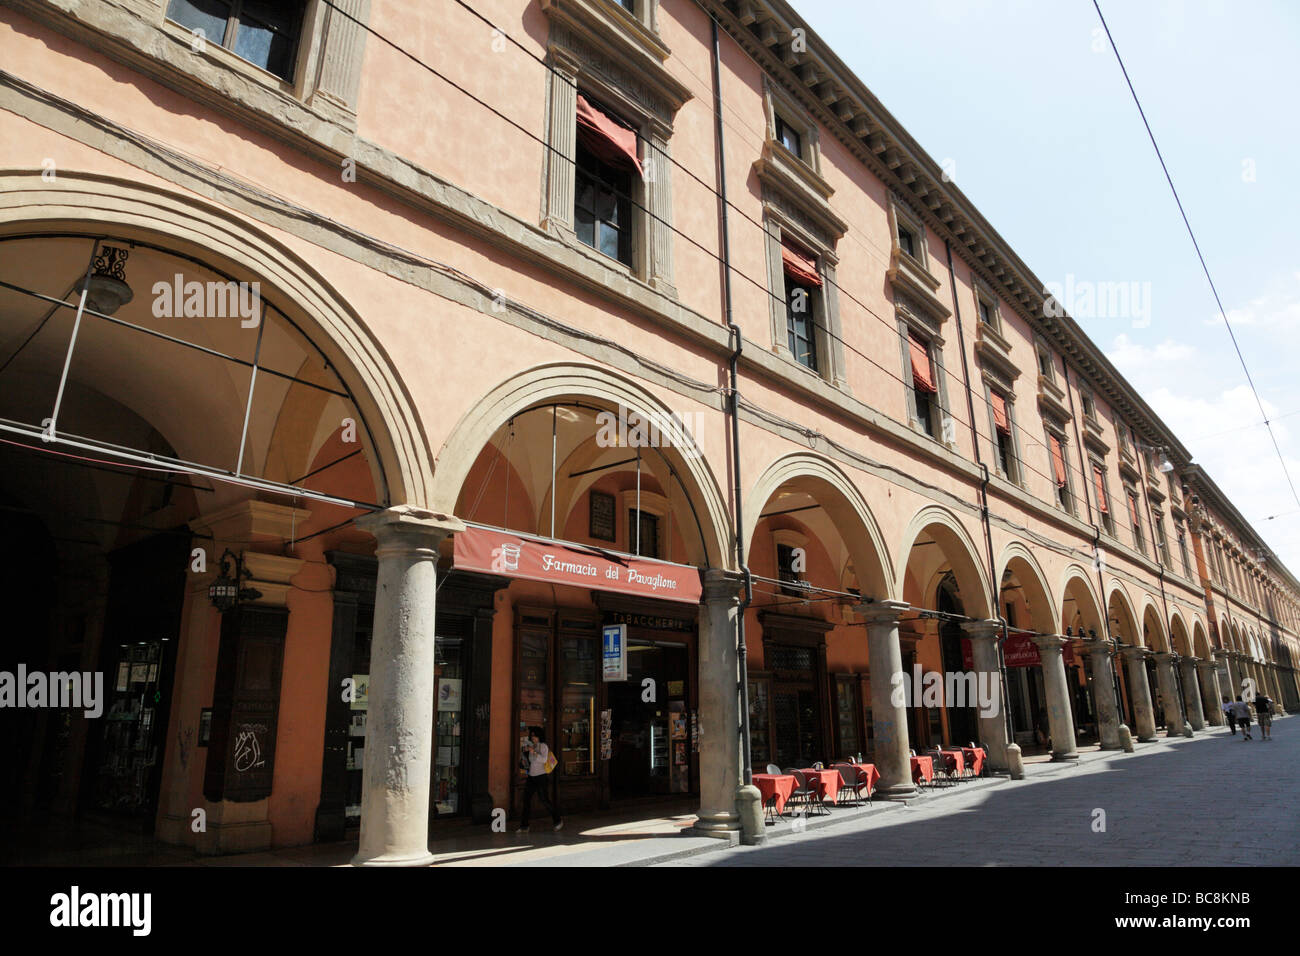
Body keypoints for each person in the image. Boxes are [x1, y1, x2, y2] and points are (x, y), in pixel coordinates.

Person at [518, 725, 563, 832]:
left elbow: (543, 760)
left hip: (541, 777)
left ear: (540, 736)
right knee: (526, 800)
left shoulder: (543, 746)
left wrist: (533, 752)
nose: (533, 737)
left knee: (544, 800)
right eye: (532, 735)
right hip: (531, 777)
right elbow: (531, 762)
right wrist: (525, 755)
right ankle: (524, 826)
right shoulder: (532, 745)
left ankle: (558, 820)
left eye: (535, 736)